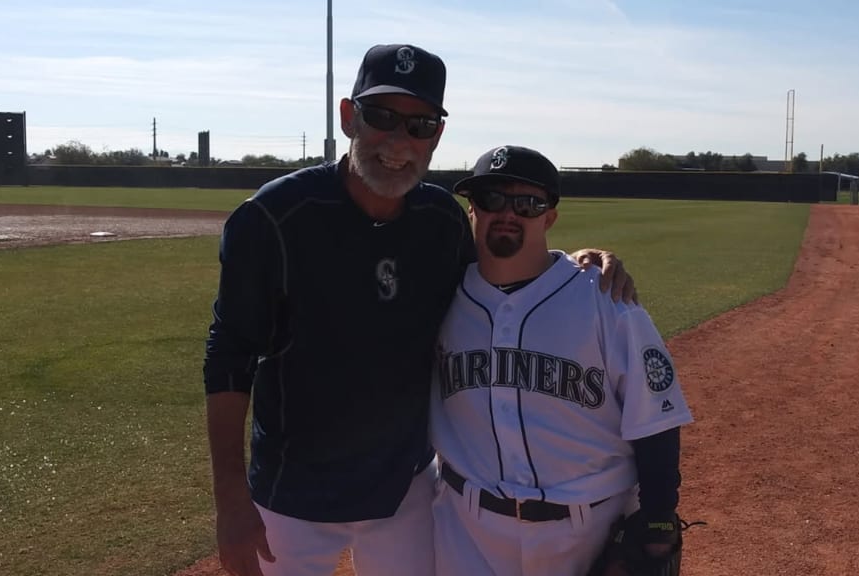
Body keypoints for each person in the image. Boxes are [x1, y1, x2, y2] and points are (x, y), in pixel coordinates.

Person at [203, 45, 635, 576]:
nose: (399, 141)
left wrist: (579, 262)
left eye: (420, 124)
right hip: (291, 495)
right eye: (381, 117)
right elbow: (228, 356)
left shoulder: (440, 220)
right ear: (348, 118)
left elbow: (505, 270)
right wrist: (229, 500)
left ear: (437, 135)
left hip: (403, 489)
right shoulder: (272, 219)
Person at [430, 145, 693, 576]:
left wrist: (661, 515)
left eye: (528, 204)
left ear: (550, 217)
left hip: (587, 532)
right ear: (471, 209)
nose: (508, 213)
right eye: (491, 199)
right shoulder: (442, 295)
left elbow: (656, 419)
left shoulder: (606, 299)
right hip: (465, 531)